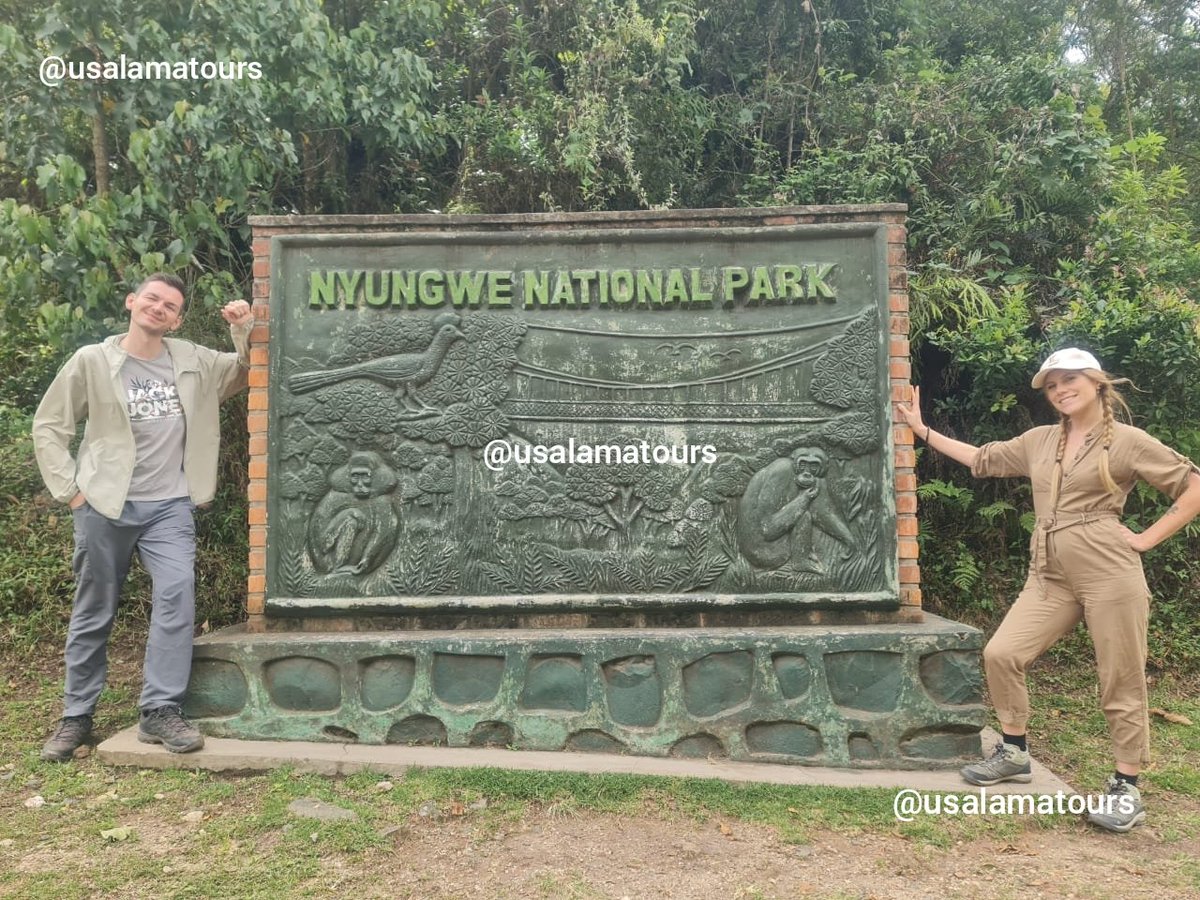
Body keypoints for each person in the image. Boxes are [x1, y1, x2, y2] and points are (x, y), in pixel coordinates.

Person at [898, 347, 1200, 833]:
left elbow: (1193, 487)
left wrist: (1146, 539)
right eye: (1052, 384)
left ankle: (1126, 786)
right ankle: (1014, 752)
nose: (1060, 390)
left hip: (1110, 572)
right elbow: (981, 459)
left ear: (1097, 382)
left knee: (1119, 680)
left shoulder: (1128, 441)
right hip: (1050, 574)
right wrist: (923, 429)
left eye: (1069, 379)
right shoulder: (1040, 441)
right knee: (1001, 653)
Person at [32, 273, 254, 760]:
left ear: (177, 318)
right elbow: (50, 425)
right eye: (151, 298)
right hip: (104, 505)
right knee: (94, 611)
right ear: (133, 302)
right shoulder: (93, 360)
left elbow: (245, 369)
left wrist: (243, 327)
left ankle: (159, 710)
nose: (158, 308)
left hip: (170, 505)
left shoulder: (192, 359)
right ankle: (76, 717)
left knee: (176, 596)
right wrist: (72, 492)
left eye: (169, 306)